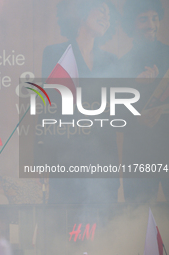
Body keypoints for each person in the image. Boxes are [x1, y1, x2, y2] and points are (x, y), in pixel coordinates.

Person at [38, 0, 120, 204]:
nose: (106, 18)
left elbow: (117, 110)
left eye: (109, 16)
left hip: (103, 156)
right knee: (66, 225)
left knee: (104, 228)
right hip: (66, 154)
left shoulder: (111, 61)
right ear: (83, 11)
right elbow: (47, 106)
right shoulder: (55, 53)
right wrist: (42, 155)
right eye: (101, 10)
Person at [119, 0, 169, 203]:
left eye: (155, 18)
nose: (151, 25)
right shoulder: (121, 64)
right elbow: (111, 113)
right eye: (143, 20)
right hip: (139, 155)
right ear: (131, 25)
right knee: (139, 220)